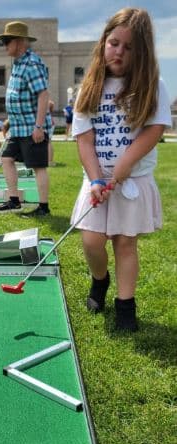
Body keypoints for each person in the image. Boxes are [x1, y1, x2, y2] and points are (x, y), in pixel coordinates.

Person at [71, 7, 171, 332]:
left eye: (129, 48)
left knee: (125, 244)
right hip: (97, 181)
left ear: (141, 53)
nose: (119, 52)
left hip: (132, 182)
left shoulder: (152, 84)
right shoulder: (90, 86)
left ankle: (125, 304)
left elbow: (154, 128)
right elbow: (84, 138)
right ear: (104, 41)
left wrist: (126, 164)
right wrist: (95, 177)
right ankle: (100, 280)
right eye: (114, 43)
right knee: (91, 241)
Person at [0, 21, 52, 216]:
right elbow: (18, 95)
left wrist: (39, 126)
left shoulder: (32, 64)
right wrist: (11, 121)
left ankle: (43, 207)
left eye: (7, 41)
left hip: (31, 127)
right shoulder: (18, 64)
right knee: (6, 159)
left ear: (18, 42)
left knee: (38, 166)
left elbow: (43, 95)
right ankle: (14, 200)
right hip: (18, 128)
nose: (5, 45)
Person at [48, 99, 56, 166]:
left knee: (48, 142)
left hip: (48, 124)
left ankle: (50, 161)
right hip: (51, 123)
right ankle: (49, 160)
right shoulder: (50, 103)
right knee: (48, 142)